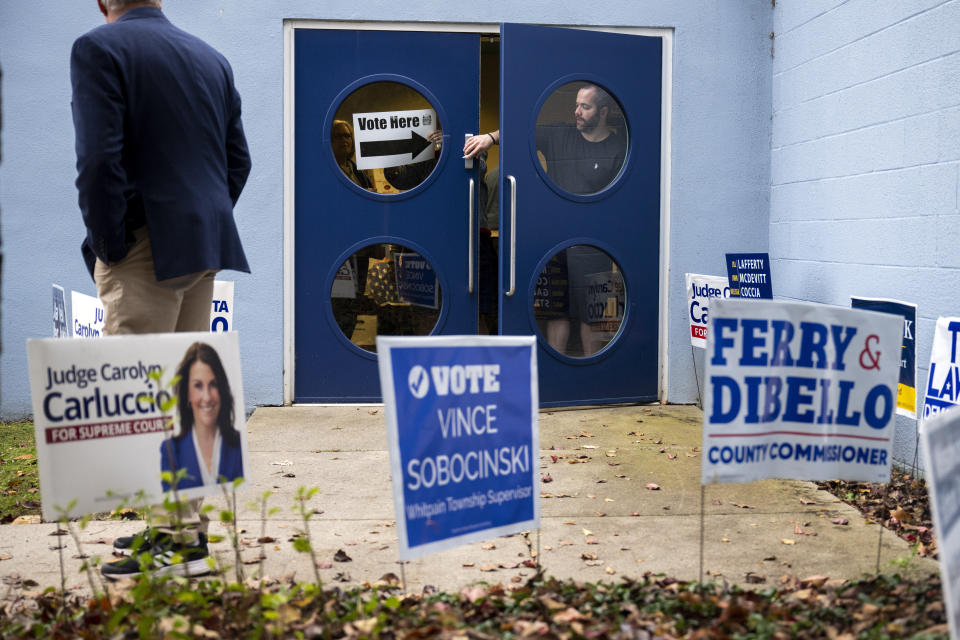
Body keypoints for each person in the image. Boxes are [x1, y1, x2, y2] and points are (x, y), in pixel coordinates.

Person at [71, 0, 251, 579]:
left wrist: (109, 243)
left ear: (104, 3)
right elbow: (236, 163)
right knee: (185, 391)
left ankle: (178, 543)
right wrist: (201, 217)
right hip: (202, 246)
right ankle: (181, 531)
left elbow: (100, 162)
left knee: (143, 396)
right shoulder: (211, 58)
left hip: (144, 245)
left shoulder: (100, 47)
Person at [463, 84, 624, 355]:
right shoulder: (560, 134)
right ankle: (554, 375)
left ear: (603, 112)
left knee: (590, 315)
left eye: (585, 107)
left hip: (594, 246)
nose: (577, 112)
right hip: (556, 242)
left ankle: (591, 378)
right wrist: (490, 138)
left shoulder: (619, 147)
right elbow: (520, 133)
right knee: (556, 312)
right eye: (576, 105)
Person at [160, 343, 243, 491]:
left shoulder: (238, 445)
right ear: (187, 393)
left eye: (214, 384)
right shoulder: (171, 450)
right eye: (198, 385)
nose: (207, 397)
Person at [332, 119, 373, 189]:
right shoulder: (328, 171)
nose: (344, 140)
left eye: (347, 136)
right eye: (338, 136)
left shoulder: (359, 172)